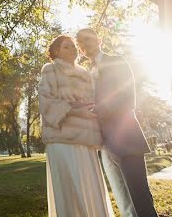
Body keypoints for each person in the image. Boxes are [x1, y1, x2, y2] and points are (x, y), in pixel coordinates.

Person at [76, 28, 158, 217]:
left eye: (87, 39)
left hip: (127, 139)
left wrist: (97, 110)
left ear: (99, 40)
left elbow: (128, 99)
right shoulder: (87, 74)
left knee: (140, 196)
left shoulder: (117, 61)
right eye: (80, 42)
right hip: (104, 144)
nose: (84, 45)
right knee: (123, 200)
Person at [38, 34, 115, 217]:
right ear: (56, 51)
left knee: (89, 187)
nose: (72, 49)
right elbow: (45, 102)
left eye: (73, 46)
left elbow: (92, 101)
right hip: (61, 138)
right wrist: (73, 110)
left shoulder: (85, 74)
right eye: (66, 46)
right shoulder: (50, 70)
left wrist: (89, 108)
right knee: (69, 190)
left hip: (86, 138)